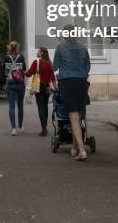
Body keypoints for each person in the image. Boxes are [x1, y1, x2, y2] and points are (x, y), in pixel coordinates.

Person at [53, 27, 90, 161]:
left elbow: (55, 66)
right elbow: (87, 68)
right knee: (79, 116)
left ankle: (82, 150)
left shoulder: (60, 48)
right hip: (81, 82)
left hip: (67, 82)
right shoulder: (83, 48)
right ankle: (75, 148)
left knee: (73, 116)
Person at [25, 47, 57, 136]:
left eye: (38, 51)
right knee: (45, 107)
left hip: (38, 87)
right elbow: (53, 77)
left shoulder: (36, 62)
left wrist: (22, 72)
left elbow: (29, 73)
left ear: (42, 53)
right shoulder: (49, 63)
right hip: (47, 87)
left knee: (40, 108)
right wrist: (55, 87)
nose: (37, 52)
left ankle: (44, 129)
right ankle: (45, 127)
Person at [5, 41, 27, 136]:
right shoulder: (21, 57)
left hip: (10, 84)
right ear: (17, 47)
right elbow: (24, 68)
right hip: (20, 83)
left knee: (11, 106)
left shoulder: (6, 57)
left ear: (9, 48)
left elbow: (4, 71)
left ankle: (13, 128)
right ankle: (21, 126)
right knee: (20, 105)